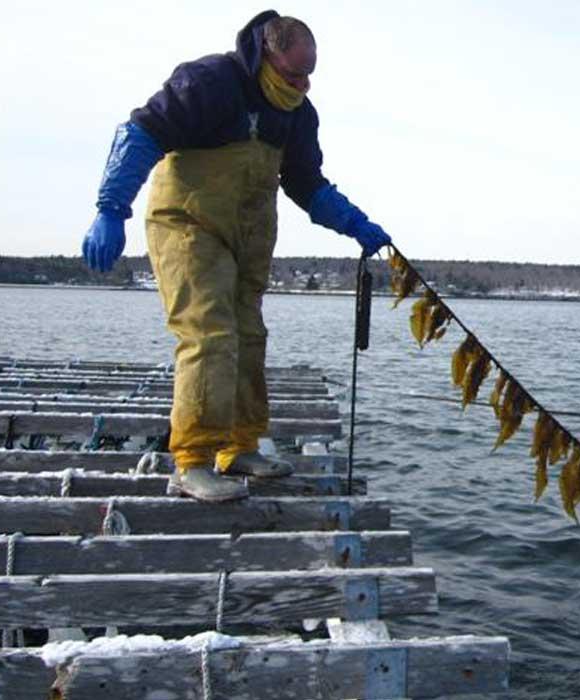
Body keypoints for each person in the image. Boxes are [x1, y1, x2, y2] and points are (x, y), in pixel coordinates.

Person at [80, 11, 390, 502]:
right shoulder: (210, 82)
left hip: (248, 238)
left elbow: (307, 183)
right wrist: (110, 208)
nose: (303, 84)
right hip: (189, 227)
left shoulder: (297, 113)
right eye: (293, 74)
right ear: (266, 54)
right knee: (210, 332)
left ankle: (239, 447)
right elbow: (140, 132)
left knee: (248, 336)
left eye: (310, 74)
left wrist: (354, 222)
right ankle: (193, 462)